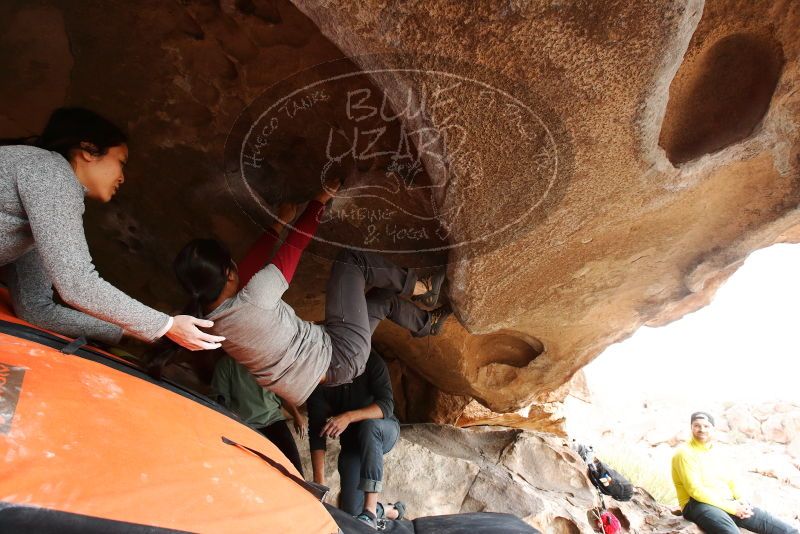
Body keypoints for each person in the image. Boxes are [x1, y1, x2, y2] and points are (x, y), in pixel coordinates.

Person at [163, 179, 452, 408]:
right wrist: (320, 199)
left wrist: (277, 223)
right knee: (351, 261)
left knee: (380, 300)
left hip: (331, 372)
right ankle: (422, 287)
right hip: (339, 351)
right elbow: (295, 246)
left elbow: (247, 270)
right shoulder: (256, 297)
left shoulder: (207, 322)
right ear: (228, 273)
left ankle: (428, 324)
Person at [0, 107, 223, 351]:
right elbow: (76, 282)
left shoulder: (41, 210)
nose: (122, 178)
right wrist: (164, 324)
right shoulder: (51, 172)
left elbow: (35, 309)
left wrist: (127, 329)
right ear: (88, 151)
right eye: (121, 162)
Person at [307, 351, 405, 529]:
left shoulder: (372, 361)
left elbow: (386, 405)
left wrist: (348, 417)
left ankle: (370, 511)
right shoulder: (319, 376)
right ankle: (388, 510)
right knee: (351, 514)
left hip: (383, 430)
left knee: (369, 427)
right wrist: (319, 484)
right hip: (352, 446)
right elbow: (316, 432)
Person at [672, 411, 798, 534]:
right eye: (697, 425)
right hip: (696, 504)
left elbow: (730, 480)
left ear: (713, 429)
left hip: (725, 501)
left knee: (783, 529)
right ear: (691, 428)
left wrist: (741, 500)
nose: (702, 429)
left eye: (706, 426)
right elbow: (695, 490)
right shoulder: (684, 453)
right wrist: (732, 508)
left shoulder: (716, 451)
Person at [212, 353, 306, 475]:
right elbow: (220, 400)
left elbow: (282, 396)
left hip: (273, 421)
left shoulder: (268, 362)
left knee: (294, 470)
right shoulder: (227, 364)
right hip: (246, 426)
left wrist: (297, 416)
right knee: (257, 473)